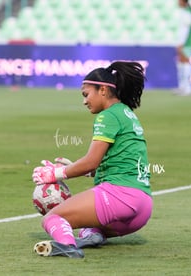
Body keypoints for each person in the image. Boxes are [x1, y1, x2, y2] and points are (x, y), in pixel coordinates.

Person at [32, 61, 152, 258]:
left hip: (120, 197)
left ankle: (68, 246)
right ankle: (94, 235)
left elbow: (91, 161)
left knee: (52, 218)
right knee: (87, 226)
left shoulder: (108, 116)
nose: (84, 101)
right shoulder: (127, 113)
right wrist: (78, 168)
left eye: (86, 94)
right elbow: (117, 163)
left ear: (103, 90)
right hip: (142, 207)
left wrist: (54, 174)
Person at [174, 0, 191, 96]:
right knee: (181, 62)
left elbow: (186, 30)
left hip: (186, 42)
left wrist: (181, 43)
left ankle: (187, 87)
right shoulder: (187, 11)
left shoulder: (187, 13)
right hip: (185, 41)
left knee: (185, 62)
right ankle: (183, 87)